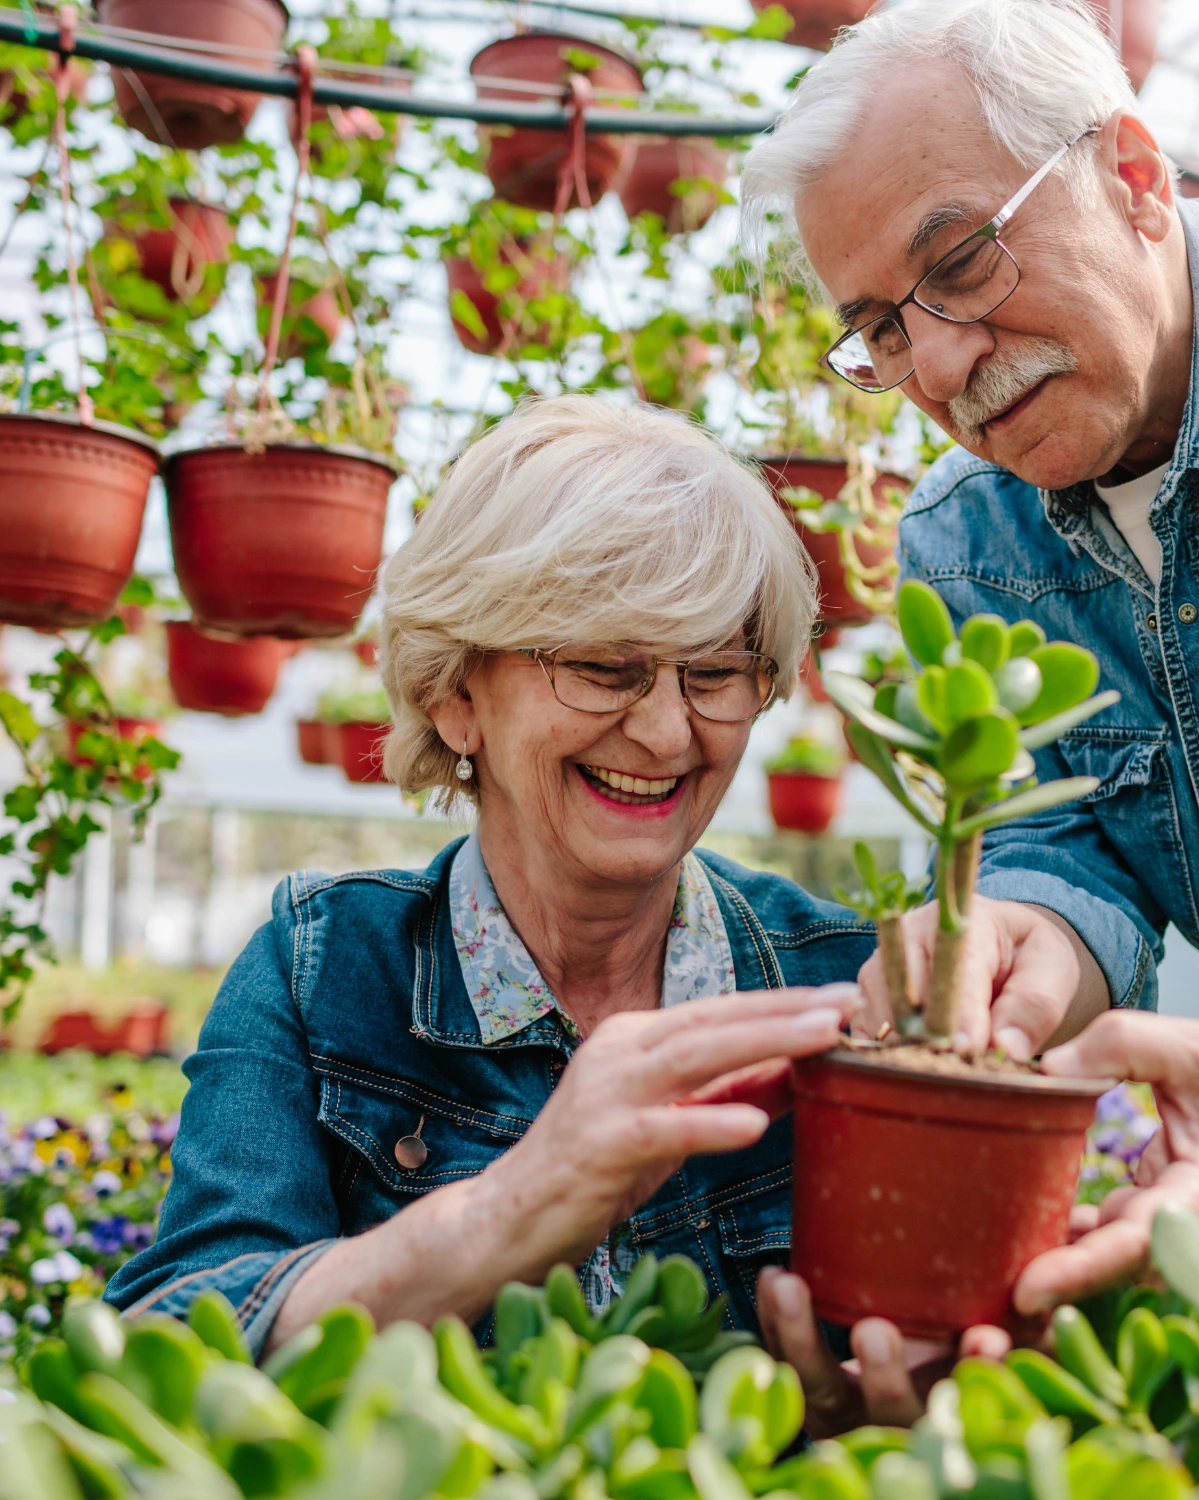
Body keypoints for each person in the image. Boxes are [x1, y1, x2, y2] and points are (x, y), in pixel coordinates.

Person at [740, 0, 1199, 1386]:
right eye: (881, 332)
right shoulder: (965, 545)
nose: (941, 367)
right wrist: (1017, 942)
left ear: (1135, 174)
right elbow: (1065, 850)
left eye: (956, 259)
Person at [106, 396, 882, 1357]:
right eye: (606, 667)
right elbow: (174, 1332)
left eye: (717, 673)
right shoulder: (323, 970)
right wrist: (510, 1209)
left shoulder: (846, 983)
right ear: (456, 696)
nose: (668, 732)